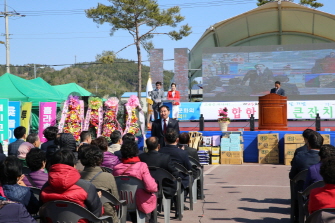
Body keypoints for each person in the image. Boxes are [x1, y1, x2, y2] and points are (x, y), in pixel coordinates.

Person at [40, 149, 102, 221]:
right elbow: (97, 213)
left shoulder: (45, 187)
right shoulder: (86, 187)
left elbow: (42, 211)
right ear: (74, 165)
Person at [113, 140, 157, 222]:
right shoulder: (142, 166)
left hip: (122, 202)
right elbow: (151, 187)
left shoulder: (116, 168)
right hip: (140, 202)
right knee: (153, 195)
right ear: (136, 152)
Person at [80, 144, 119, 223]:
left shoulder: (77, 177)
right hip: (107, 218)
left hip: (85, 217)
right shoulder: (108, 177)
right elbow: (116, 200)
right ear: (100, 159)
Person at [159, 128, 191, 193]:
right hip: (178, 179)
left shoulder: (160, 151)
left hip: (163, 179)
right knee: (189, 178)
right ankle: (182, 198)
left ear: (165, 139)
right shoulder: (182, 152)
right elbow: (188, 167)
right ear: (177, 140)